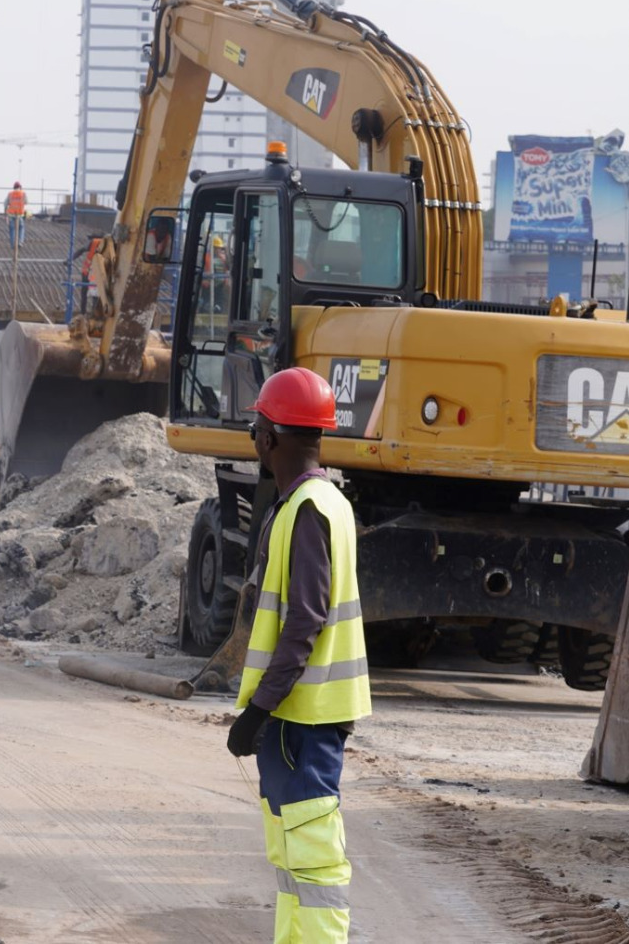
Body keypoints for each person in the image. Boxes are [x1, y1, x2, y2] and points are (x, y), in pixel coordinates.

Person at [227, 366, 370, 944]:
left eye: (256, 430)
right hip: (301, 719)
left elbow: (305, 620)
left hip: (300, 721)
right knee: (293, 862)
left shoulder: (308, 510)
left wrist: (259, 710)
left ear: (268, 438)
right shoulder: (324, 503)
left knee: (311, 861)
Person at [72, 234, 104, 315]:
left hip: (94, 274)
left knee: (93, 294)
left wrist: (70, 259)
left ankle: (90, 314)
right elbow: (81, 250)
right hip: (88, 273)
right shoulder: (98, 244)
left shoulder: (95, 243)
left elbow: (81, 250)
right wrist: (70, 259)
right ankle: (86, 313)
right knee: (92, 294)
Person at [6, 181, 28, 249]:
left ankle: (13, 245)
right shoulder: (23, 194)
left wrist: (6, 215)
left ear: (14, 187)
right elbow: (26, 202)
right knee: (21, 228)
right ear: (20, 187)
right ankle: (20, 242)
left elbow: (6, 203)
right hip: (20, 214)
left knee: (12, 230)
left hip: (11, 215)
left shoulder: (10, 194)